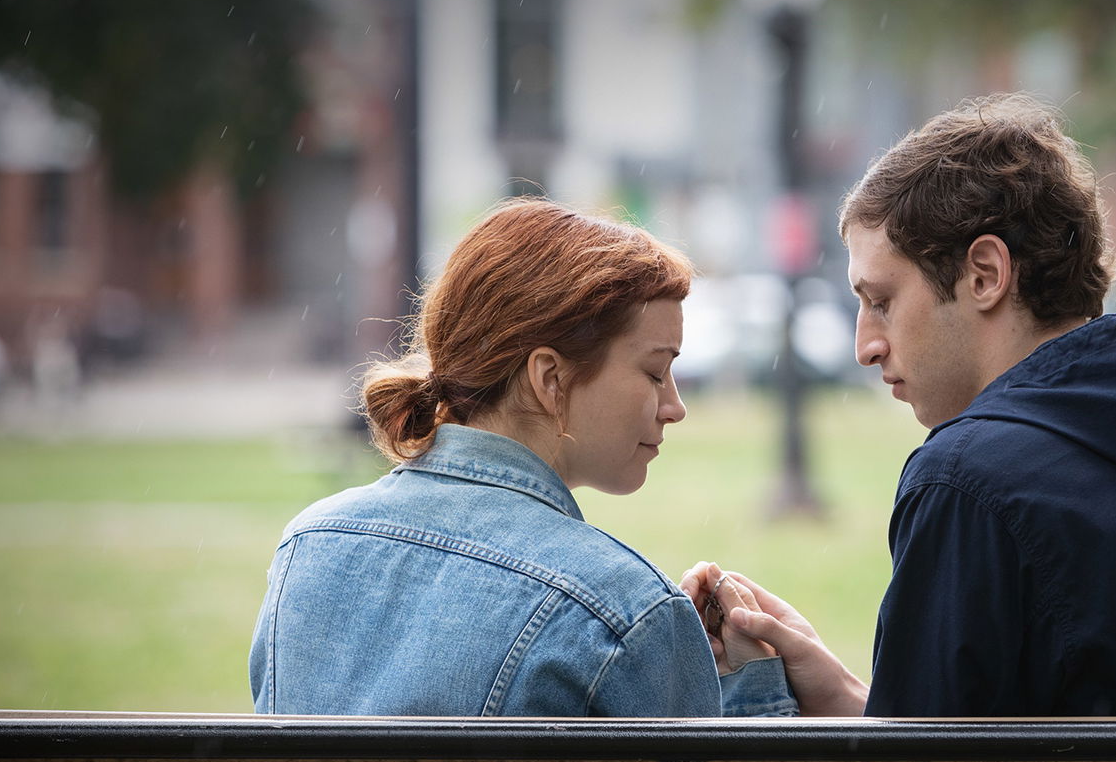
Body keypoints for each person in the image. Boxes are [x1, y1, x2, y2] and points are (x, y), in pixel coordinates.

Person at [685, 93, 1116, 717]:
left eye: (881, 301)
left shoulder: (968, 481)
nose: (864, 346)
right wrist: (840, 691)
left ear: (985, 274)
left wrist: (761, 691)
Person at [250, 198, 792, 717]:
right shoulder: (626, 613)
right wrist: (749, 683)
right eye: (655, 372)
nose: (675, 407)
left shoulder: (308, 546)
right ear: (550, 378)